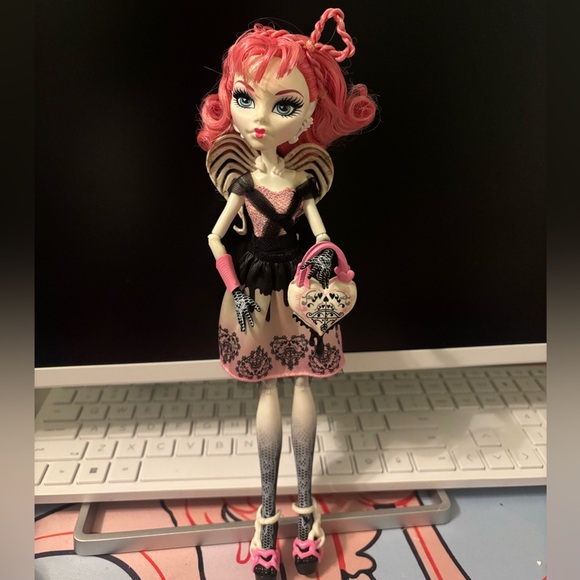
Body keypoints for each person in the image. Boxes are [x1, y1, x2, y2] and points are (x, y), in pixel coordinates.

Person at [197, 8, 376, 579]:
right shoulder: (243, 182)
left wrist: (328, 262)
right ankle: (269, 517)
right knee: (269, 391)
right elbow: (215, 237)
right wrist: (233, 287)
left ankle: (302, 512)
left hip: (298, 291)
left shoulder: (301, 183)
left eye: (284, 104)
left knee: (300, 384)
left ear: (308, 116)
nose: (259, 118)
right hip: (254, 289)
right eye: (245, 98)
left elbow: (320, 236)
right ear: (228, 101)